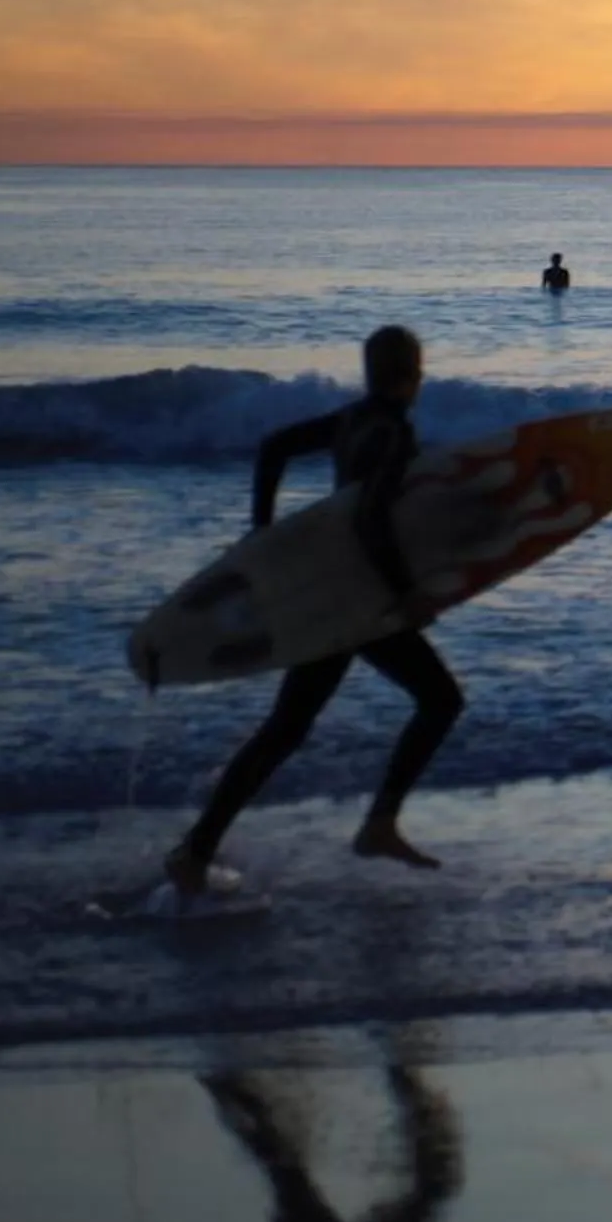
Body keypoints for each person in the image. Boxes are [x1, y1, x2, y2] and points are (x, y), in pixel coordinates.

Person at [167, 324, 462, 894]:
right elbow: (373, 519)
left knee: (286, 728)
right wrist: (409, 594)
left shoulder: (350, 420)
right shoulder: (394, 431)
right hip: (361, 599)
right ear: (414, 374)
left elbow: (273, 447)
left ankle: (196, 851)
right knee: (441, 701)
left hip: (328, 591)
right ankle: (379, 824)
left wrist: (262, 529)